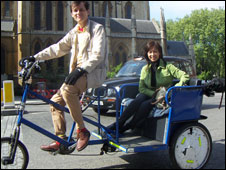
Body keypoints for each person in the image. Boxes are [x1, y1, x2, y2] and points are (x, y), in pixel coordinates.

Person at [20, 1, 107, 152]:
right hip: (76, 75)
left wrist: (81, 70)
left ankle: (82, 130)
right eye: (75, 11)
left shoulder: (97, 29)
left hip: (91, 73)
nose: (78, 13)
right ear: (72, 14)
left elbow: (98, 55)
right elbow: (57, 49)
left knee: (67, 91)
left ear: (87, 11)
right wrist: (35, 57)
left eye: (81, 10)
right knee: (54, 102)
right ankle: (60, 139)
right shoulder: (75, 32)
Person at [108, 41, 189, 133]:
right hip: (150, 94)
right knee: (138, 100)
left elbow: (185, 76)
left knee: (145, 105)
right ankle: (118, 124)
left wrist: (172, 89)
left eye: (155, 52)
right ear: (147, 54)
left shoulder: (168, 67)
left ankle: (128, 126)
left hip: (162, 97)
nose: (152, 54)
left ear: (160, 53)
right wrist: (154, 94)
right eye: (150, 52)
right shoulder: (145, 69)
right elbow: (141, 88)